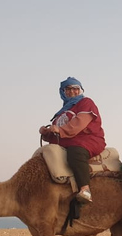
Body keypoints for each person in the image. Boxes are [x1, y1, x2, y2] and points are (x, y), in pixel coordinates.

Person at [39, 77, 106, 210]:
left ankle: (85, 190)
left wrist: (60, 129)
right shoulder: (61, 113)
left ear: (80, 90)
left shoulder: (86, 103)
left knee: (75, 152)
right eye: (68, 89)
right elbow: (56, 136)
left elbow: (79, 123)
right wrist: (46, 132)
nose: (72, 92)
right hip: (66, 142)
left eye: (75, 88)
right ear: (63, 92)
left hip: (87, 139)